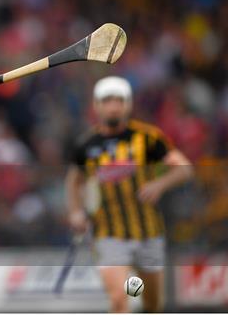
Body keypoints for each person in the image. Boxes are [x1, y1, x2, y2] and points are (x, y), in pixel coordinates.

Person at [65, 76, 193, 313]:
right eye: (107, 100)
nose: (114, 105)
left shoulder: (147, 138)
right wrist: (75, 212)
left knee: (152, 305)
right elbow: (73, 181)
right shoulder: (86, 145)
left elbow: (184, 168)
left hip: (148, 232)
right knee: (119, 299)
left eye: (119, 100)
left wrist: (159, 185)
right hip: (109, 234)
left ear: (128, 104)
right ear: (96, 105)